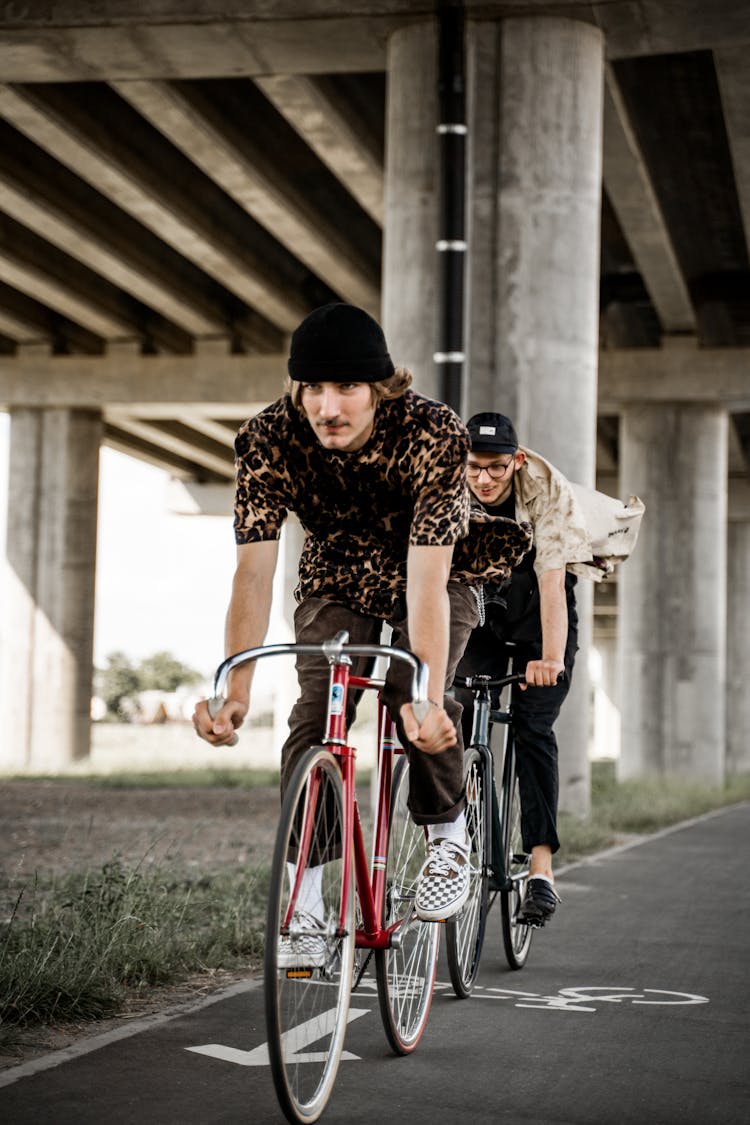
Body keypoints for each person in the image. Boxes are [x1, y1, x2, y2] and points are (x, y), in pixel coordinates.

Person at [193, 305, 530, 925]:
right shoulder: (267, 439)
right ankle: (309, 900)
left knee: (412, 695)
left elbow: (427, 583)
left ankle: (448, 836)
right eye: (313, 388)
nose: (328, 407)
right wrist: (234, 684)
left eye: (347, 387)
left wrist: (426, 695)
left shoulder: (431, 433)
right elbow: (254, 572)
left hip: (436, 566)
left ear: (380, 388)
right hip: (337, 568)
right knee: (316, 709)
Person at [453, 412, 592, 926]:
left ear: (517, 461)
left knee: (534, 729)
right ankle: (459, 839)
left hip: (540, 619)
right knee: (454, 712)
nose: (483, 479)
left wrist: (551, 659)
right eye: (474, 467)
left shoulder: (546, 493)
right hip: (482, 616)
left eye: (495, 468)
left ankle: (540, 871)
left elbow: (554, 585)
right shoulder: (447, 486)